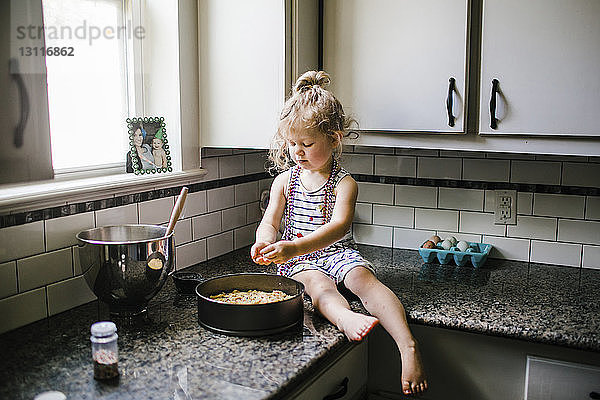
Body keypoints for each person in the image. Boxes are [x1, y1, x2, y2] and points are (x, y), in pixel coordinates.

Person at [250, 71, 428, 395]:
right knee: (317, 286)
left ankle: (407, 346)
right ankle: (344, 318)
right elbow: (270, 221)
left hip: (337, 253)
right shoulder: (284, 182)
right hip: (299, 262)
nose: (297, 152)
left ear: (334, 138)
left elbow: (339, 227)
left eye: (306, 143)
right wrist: (264, 241)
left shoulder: (345, 183)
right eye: (292, 144)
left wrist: (292, 247)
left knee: (364, 280)